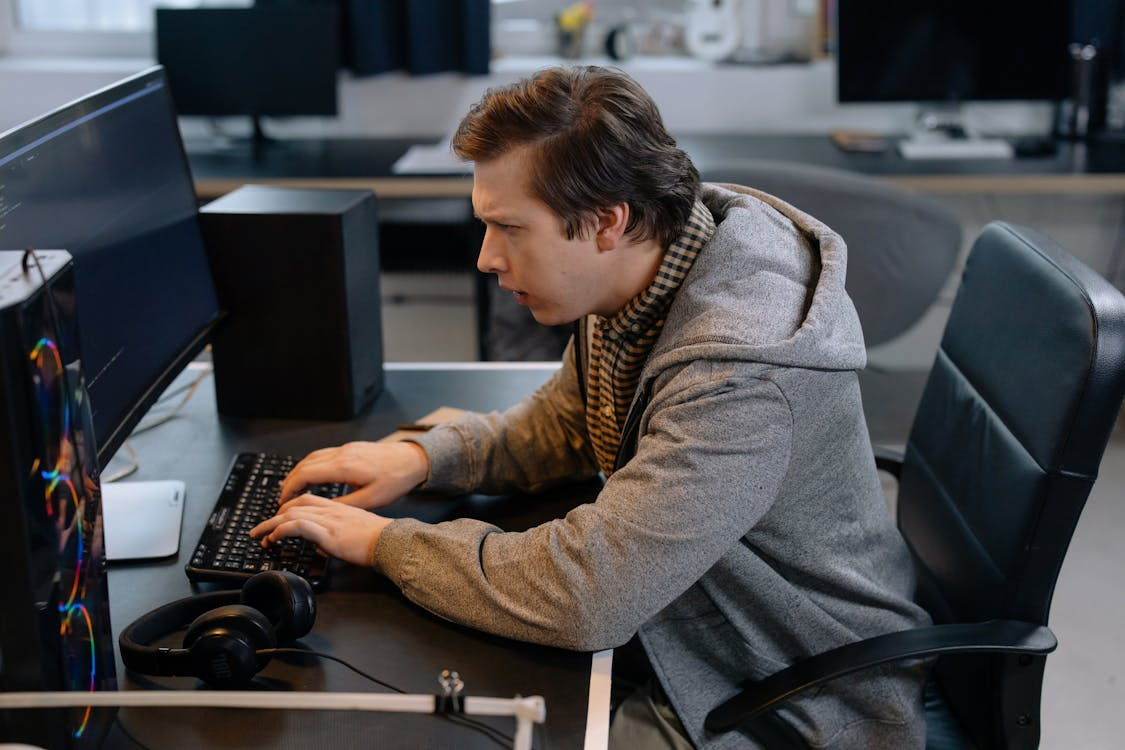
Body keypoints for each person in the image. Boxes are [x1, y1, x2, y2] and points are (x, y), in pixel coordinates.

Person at [250, 65, 931, 748]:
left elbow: (585, 597)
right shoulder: (654, 260)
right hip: (689, 615)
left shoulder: (740, 370)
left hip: (786, 682)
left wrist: (382, 543)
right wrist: (423, 457)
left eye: (509, 228)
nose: (487, 258)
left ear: (607, 222)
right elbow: (573, 420)